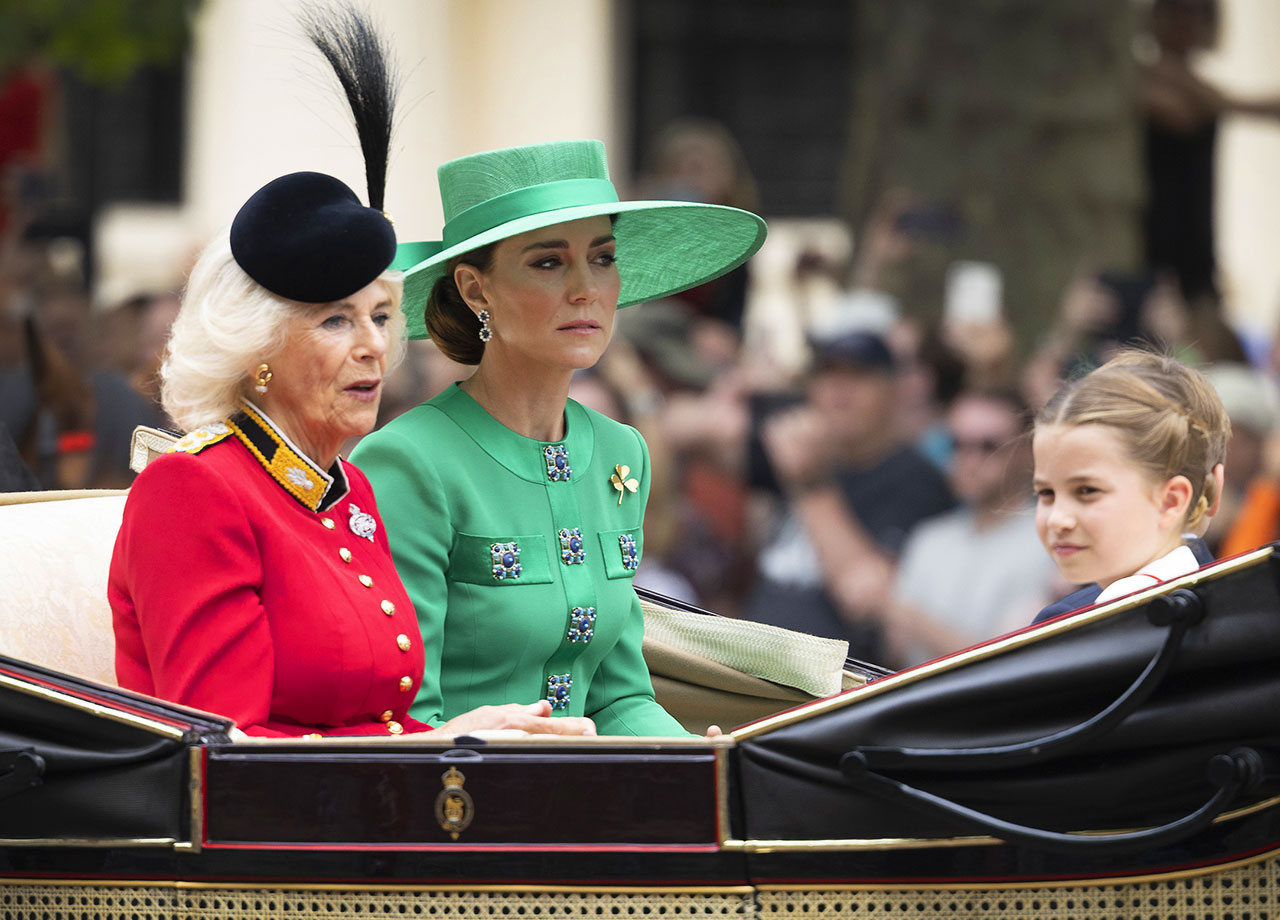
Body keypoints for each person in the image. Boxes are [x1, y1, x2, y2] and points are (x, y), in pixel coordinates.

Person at [108, 9, 593, 740]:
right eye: (336, 320)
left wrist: (456, 735)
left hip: (362, 830)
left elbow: (380, 723)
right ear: (256, 351)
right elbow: (221, 757)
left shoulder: (348, 488)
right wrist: (446, 747)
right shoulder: (196, 491)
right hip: (260, 848)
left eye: (378, 316)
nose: (373, 346)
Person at [351, 139, 766, 735]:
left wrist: (704, 768)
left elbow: (619, 699)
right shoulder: (407, 462)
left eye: (602, 258)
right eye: (548, 262)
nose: (585, 288)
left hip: (595, 803)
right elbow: (404, 720)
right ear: (475, 290)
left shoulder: (623, 453)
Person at [741, 327, 955, 662]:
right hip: (751, 664)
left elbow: (865, 596)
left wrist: (812, 487)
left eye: (859, 376)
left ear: (894, 391)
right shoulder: (806, 451)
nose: (839, 391)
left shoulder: (916, 478)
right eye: (828, 374)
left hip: (836, 687)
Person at [1030, 349, 1229, 624]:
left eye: (1087, 491)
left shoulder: (1243, 622)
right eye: (1046, 493)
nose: (1057, 519)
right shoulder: (1057, 624)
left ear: (1171, 501)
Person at [886, 388, 1058, 666]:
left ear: (1027, 449)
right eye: (956, 444)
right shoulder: (928, 538)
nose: (968, 459)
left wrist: (907, 616)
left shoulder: (1053, 538)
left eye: (988, 446)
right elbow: (895, 650)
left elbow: (1002, 664)